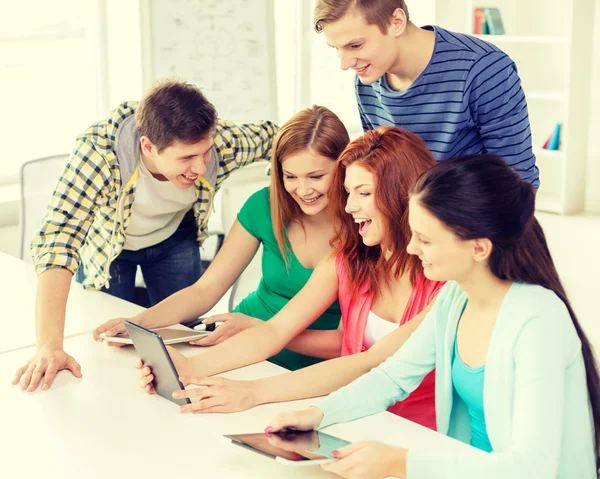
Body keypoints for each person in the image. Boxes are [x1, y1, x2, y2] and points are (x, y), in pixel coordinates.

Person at [268, 154, 599, 479]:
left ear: (479, 248)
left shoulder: (538, 321)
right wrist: (318, 414)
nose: (411, 248)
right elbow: (393, 377)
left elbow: (531, 468)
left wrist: (399, 463)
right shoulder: (455, 298)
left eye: (425, 239)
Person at [138, 127, 444, 430]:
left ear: (404, 194)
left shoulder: (445, 282)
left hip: (414, 431)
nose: (349, 207)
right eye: (348, 192)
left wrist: (252, 392)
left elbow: (372, 362)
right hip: (350, 417)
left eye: (363, 193)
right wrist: (189, 368)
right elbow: (273, 332)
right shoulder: (347, 260)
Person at [13, 79, 278, 392]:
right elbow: (59, 238)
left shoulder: (221, 143)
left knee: (181, 339)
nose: (200, 166)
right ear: (148, 146)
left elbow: (279, 138)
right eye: (186, 158)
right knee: (110, 344)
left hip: (174, 238)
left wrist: (286, 188)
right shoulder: (100, 152)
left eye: (204, 152)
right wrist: (49, 347)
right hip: (111, 249)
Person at [93, 105, 349, 371]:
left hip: (308, 362)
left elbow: (343, 344)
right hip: (241, 342)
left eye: (316, 176)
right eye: (290, 176)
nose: (303, 189)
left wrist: (260, 329)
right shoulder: (265, 206)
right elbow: (205, 290)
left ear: (345, 166)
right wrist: (137, 323)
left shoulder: (365, 228)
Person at [314, 0, 539, 187]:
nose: (345, 64)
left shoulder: (483, 68)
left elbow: (518, 181)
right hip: (405, 227)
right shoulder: (367, 78)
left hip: (470, 226)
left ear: (396, 22)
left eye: (355, 46)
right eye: (336, 48)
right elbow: (381, 169)